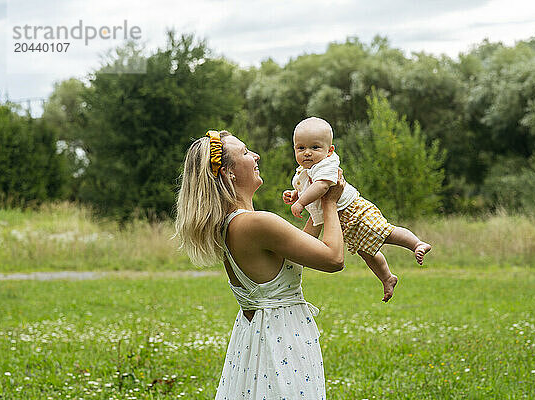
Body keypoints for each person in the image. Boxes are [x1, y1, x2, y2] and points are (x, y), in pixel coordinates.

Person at [174, 130, 345, 399]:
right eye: (244, 152)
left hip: (258, 335)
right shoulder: (256, 223)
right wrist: (332, 202)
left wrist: (317, 203)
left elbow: (298, 250)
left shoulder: (232, 223)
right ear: (229, 173)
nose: (256, 156)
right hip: (280, 339)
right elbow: (334, 258)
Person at [283, 117, 432, 302]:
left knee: (384, 232)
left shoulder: (327, 164)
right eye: (301, 148)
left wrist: (301, 203)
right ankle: (387, 278)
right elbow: (308, 189)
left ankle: (416, 244)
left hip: (355, 211)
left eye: (315, 147)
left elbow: (321, 187)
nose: (307, 153)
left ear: (329, 150)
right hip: (342, 221)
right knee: (366, 251)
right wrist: (295, 195)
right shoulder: (304, 170)